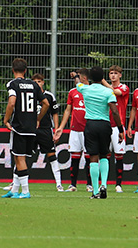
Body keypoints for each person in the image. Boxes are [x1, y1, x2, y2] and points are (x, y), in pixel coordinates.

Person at [0, 58, 49, 200]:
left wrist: (6, 119)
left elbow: (11, 102)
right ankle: (14, 190)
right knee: (18, 156)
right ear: (26, 70)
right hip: (31, 126)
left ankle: (26, 191)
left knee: (20, 158)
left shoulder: (12, 84)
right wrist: (38, 118)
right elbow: (45, 103)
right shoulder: (33, 84)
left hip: (19, 126)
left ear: (13, 70)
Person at [73, 66, 124, 199]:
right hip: (104, 125)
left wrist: (75, 76)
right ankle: (104, 186)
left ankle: (95, 190)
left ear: (89, 78)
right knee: (105, 155)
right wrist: (120, 129)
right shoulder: (108, 92)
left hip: (90, 125)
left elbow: (78, 84)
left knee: (93, 157)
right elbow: (114, 111)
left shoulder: (85, 89)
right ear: (102, 78)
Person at [54, 68, 90, 191]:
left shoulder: (91, 91)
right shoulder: (72, 92)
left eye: (78, 77)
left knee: (89, 158)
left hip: (88, 129)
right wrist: (61, 127)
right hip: (75, 129)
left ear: (84, 78)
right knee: (74, 157)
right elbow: (68, 110)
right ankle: (73, 184)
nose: (76, 79)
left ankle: (89, 184)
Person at [108, 65, 130, 192]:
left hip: (118, 126)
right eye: (111, 73)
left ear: (120, 75)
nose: (113, 75)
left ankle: (118, 184)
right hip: (106, 124)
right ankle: (103, 183)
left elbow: (117, 92)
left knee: (119, 155)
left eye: (116, 73)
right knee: (104, 155)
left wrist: (104, 84)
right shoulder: (105, 88)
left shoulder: (124, 87)